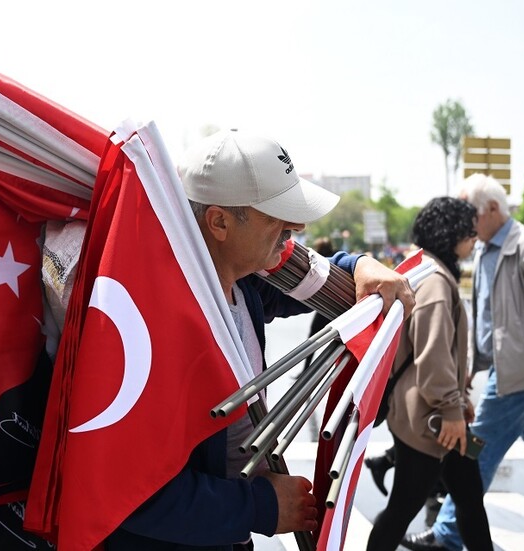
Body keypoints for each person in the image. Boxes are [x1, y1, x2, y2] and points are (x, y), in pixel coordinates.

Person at [106, 129, 415, 550]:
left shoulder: (246, 283)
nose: (298, 226)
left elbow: (316, 278)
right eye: (278, 215)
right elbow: (129, 491)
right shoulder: (146, 326)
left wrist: (359, 263)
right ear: (219, 222)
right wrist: (258, 507)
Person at [402, 174, 524, 551]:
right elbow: (488, 320)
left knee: (476, 449)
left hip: (520, 375)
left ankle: (448, 532)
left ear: (492, 209)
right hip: (508, 370)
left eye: (470, 211)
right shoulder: (486, 249)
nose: (464, 222)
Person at [366, 197, 492, 551]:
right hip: (430, 417)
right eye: (469, 232)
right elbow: (433, 356)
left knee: (469, 498)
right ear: (451, 234)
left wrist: (457, 403)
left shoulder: (423, 269)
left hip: (431, 413)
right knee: (403, 508)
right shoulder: (436, 281)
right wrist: (451, 407)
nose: (474, 239)